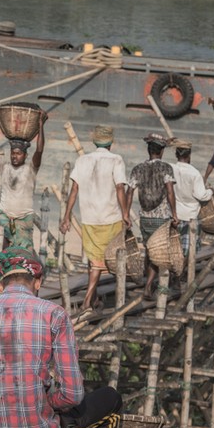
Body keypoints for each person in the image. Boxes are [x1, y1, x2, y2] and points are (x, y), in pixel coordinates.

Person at [0, 247, 123, 428]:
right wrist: (49, 400)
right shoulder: (54, 314)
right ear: (38, 282)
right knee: (111, 397)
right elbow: (72, 394)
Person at [61, 125, 130, 314]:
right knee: (106, 261)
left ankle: (95, 297)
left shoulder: (82, 160)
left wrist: (66, 216)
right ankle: (87, 302)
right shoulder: (116, 160)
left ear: (94, 141)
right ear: (111, 142)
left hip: (89, 219)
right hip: (110, 217)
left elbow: (74, 190)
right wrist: (125, 213)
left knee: (95, 261)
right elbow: (120, 188)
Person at [126, 132, 179, 299]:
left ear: (149, 150)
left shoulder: (138, 168)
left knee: (149, 250)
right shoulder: (166, 168)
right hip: (161, 218)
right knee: (159, 253)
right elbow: (170, 192)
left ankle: (149, 282)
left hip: (144, 218)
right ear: (161, 151)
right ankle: (149, 286)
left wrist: (126, 214)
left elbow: (129, 192)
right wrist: (175, 214)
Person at [0, 109, 47, 250]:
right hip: (4, 217)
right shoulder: (4, 166)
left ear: (25, 156)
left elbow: (39, 150)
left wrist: (40, 126)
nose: (14, 156)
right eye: (13, 153)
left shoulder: (31, 169)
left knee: (24, 254)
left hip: (24, 219)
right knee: (3, 253)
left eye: (18, 154)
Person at [169, 139, 213, 255]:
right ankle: (182, 273)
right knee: (188, 251)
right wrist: (210, 191)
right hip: (190, 216)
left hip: (174, 215)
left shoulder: (171, 168)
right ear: (189, 155)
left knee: (174, 249)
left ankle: (176, 272)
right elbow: (201, 195)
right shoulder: (194, 173)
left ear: (176, 154)